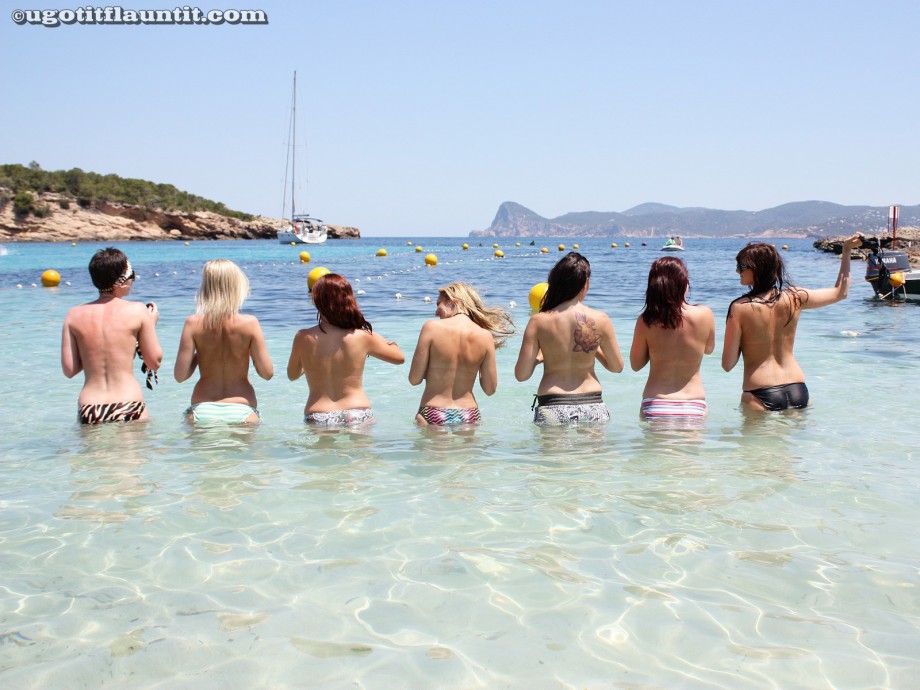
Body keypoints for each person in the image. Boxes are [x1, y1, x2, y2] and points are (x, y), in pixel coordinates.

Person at [722, 235, 862, 411]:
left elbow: (728, 364)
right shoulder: (795, 297)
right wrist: (847, 250)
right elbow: (840, 293)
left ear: (757, 269)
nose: (737, 272)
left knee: (754, 439)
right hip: (797, 388)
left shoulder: (739, 307)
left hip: (759, 392)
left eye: (741, 266)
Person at [515, 252, 624, 425]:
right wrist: (591, 346)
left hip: (552, 404)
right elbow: (616, 367)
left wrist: (537, 359)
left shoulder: (538, 321)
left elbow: (521, 375)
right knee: (592, 454)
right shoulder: (601, 319)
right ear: (586, 282)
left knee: (553, 454)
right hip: (592, 404)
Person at [287, 273, 405, 426]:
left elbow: (292, 375)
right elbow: (399, 358)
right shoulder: (362, 336)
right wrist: (377, 336)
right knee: (360, 451)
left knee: (321, 451)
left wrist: (311, 366)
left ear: (317, 301)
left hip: (319, 414)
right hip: (356, 411)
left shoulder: (303, 336)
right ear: (349, 300)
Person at [61, 247, 162, 424]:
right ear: (121, 281)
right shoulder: (137, 311)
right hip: (128, 403)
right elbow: (154, 362)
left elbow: (70, 370)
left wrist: (93, 353)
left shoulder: (74, 315)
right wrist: (150, 325)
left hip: (90, 407)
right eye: (132, 276)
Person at [174, 259, 273, 423]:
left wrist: (202, 353)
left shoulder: (192, 323)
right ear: (236, 287)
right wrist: (248, 352)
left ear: (205, 288)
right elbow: (267, 373)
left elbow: (180, 376)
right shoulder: (250, 324)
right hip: (243, 409)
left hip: (202, 408)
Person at [408, 282, 514, 426]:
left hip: (433, 411)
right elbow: (490, 389)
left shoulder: (431, 327)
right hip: (469, 414)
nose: (436, 312)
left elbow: (414, 379)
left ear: (454, 301)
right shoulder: (485, 336)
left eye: (438, 304)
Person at [630, 257, 715, 420]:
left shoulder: (646, 320)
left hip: (656, 403)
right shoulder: (705, 314)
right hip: (694, 403)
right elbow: (709, 349)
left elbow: (636, 365)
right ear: (683, 284)